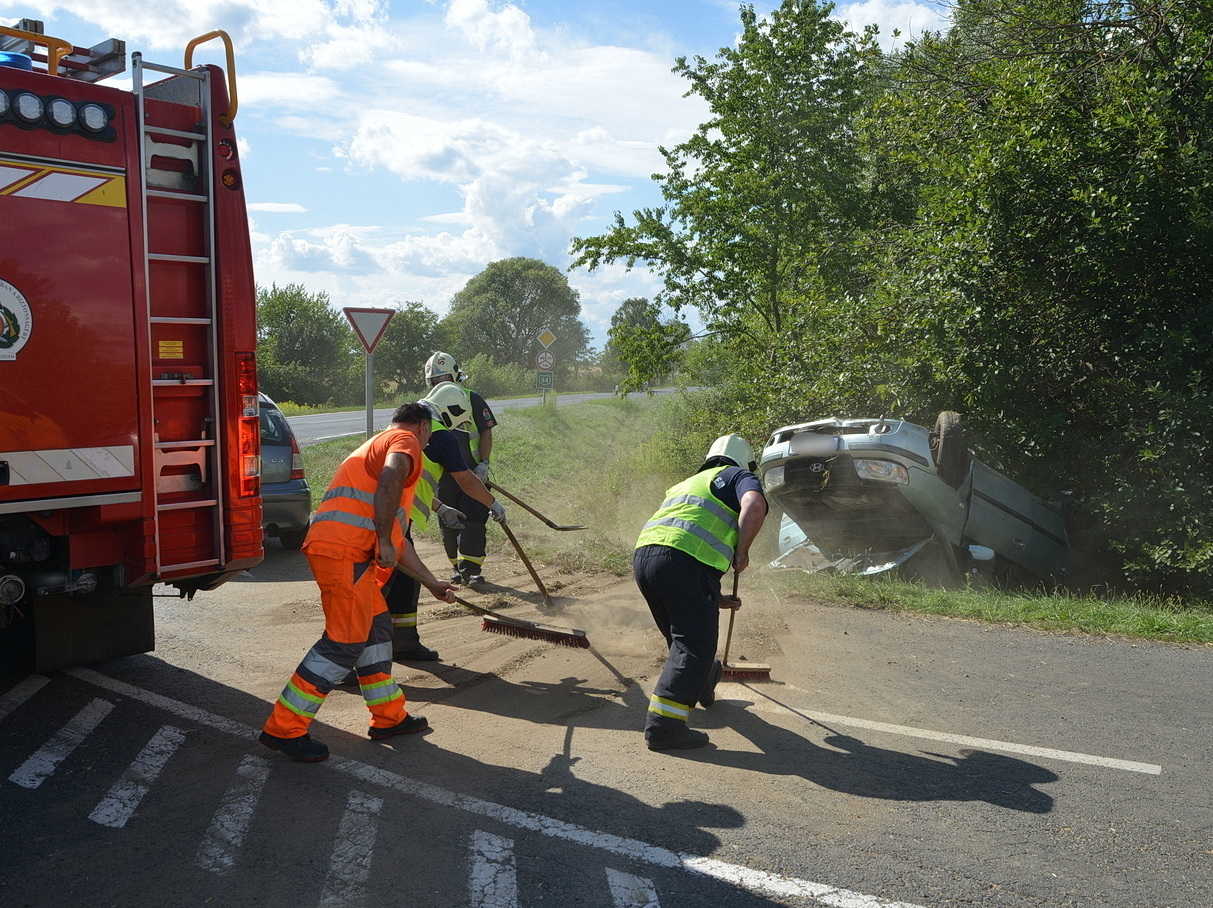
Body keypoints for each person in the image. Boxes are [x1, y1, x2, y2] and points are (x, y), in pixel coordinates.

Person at [260, 402, 458, 763]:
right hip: (346, 554)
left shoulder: (379, 440)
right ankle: (284, 727)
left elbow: (399, 543)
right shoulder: (405, 441)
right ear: (423, 428)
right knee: (343, 643)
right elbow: (392, 475)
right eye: (429, 437)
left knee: (377, 631)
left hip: (345, 553)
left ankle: (389, 717)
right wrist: (381, 539)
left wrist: (430, 581)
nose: (426, 446)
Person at [633, 434, 768, 752]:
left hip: (647, 560)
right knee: (694, 646)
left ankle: (705, 685)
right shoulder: (738, 475)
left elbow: (687, 532)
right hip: (683, 563)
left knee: (683, 642)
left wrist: (712, 594)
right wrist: (743, 551)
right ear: (745, 462)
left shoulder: (686, 483)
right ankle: (664, 728)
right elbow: (755, 504)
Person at [378, 383, 507, 662]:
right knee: (381, 586)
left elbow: (409, 481)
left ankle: (403, 644)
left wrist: (440, 507)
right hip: (391, 518)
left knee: (404, 583)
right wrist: (492, 504)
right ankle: (355, 652)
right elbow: (466, 481)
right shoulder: (439, 435)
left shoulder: (396, 430)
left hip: (396, 514)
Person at [424, 351, 499, 584]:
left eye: (444, 378)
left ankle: (472, 569)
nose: (440, 383)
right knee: (449, 522)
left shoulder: (471, 398)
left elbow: (486, 432)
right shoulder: (429, 407)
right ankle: (457, 568)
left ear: (455, 376)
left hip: (472, 473)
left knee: (474, 519)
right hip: (444, 478)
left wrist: (483, 465)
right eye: (435, 380)